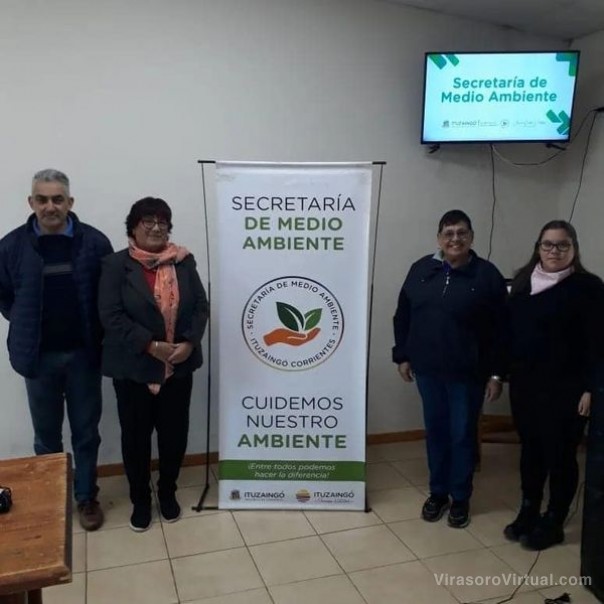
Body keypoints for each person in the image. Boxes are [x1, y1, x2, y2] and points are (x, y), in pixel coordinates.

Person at [0, 169, 113, 531]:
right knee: (46, 437)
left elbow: (108, 296)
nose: (50, 206)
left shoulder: (95, 243)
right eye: (42, 199)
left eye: (57, 199)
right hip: (38, 359)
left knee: (86, 433)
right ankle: (52, 500)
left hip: (84, 357)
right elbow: (4, 295)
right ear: (31, 202)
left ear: (70, 202)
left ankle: (86, 497)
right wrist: (23, 319)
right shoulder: (11, 246)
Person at [98, 197, 208, 532]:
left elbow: (200, 306)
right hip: (134, 368)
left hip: (178, 366)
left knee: (174, 436)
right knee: (136, 439)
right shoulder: (115, 265)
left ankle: (168, 492)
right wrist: (150, 345)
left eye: (163, 221)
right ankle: (141, 500)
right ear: (133, 227)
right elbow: (110, 314)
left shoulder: (183, 261)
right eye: (148, 221)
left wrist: (189, 343)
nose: (157, 227)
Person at [393, 209, 507, 528]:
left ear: (471, 237)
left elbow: (502, 330)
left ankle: (460, 497)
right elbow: (403, 315)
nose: (455, 239)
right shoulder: (421, 269)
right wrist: (402, 356)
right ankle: (438, 493)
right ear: (439, 239)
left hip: (467, 375)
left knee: (461, 436)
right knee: (436, 433)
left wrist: (496, 374)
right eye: (449, 233)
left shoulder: (487, 275)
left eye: (461, 233)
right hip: (427, 372)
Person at [504, 220, 604, 550]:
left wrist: (591, 388)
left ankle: (554, 519)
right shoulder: (522, 283)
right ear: (538, 248)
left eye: (563, 245)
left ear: (574, 249)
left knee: (560, 455)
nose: (554, 251)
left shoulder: (588, 287)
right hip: (526, 387)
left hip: (567, 390)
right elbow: (509, 334)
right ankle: (529, 509)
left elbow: (598, 343)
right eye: (548, 244)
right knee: (531, 451)